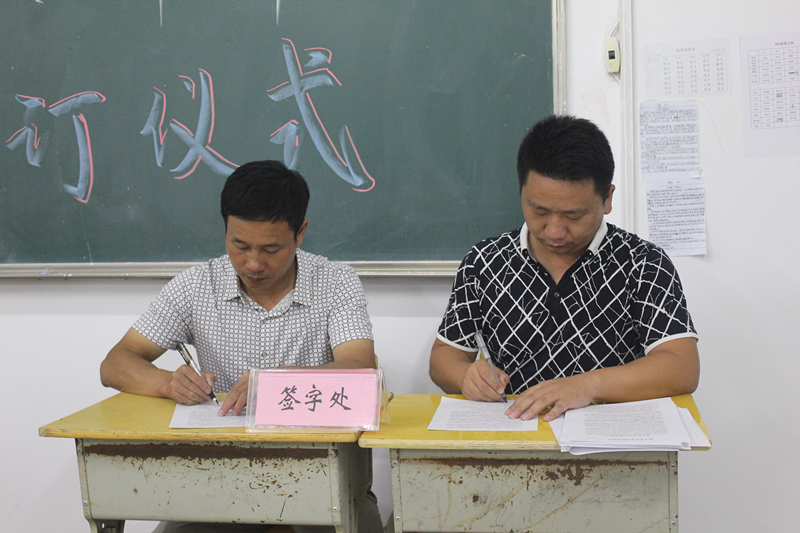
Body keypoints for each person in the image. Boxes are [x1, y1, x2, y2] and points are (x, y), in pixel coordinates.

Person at [100, 160, 382, 533]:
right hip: (219, 479)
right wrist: (168, 383)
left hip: (323, 476)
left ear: (300, 233)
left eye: (270, 249)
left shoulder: (335, 283)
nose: (253, 263)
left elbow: (360, 368)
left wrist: (276, 384)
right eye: (239, 245)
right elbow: (115, 364)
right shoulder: (198, 285)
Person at [429, 115, 700, 423]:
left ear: (607, 198)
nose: (555, 231)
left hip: (610, 440)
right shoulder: (486, 261)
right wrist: (465, 376)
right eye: (539, 211)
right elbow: (444, 358)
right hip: (514, 436)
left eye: (574, 215)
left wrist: (587, 386)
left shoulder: (643, 263)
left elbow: (681, 367)